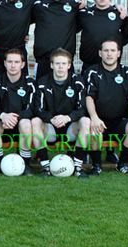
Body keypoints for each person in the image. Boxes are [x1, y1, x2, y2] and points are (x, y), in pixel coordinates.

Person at [84, 37, 128, 175]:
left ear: (118, 53)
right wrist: (94, 117)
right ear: (100, 53)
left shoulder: (127, 72)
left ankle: (123, 163)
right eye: (105, 50)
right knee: (93, 130)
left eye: (113, 50)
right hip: (99, 121)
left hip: (120, 122)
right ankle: (96, 165)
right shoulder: (92, 72)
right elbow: (89, 97)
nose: (109, 53)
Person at [34, 49, 90, 178]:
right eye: (57, 63)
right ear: (51, 65)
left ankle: (78, 167)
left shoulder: (78, 82)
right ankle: (45, 167)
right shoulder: (42, 83)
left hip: (70, 128)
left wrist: (68, 118)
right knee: (35, 121)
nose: (60, 67)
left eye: (64, 64)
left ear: (69, 65)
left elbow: (82, 109)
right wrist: (51, 119)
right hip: (51, 128)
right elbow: (38, 109)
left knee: (86, 121)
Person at [0, 48, 38, 175]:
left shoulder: (30, 84)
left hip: (21, 124)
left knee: (26, 123)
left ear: (23, 64)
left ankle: (25, 164)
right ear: (4, 63)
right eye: (10, 62)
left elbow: (33, 109)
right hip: (3, 124)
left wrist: (16, 118)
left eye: (16, 62)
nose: (13, 65)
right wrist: (3, 116)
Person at [32, 0, 83, 80]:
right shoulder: (39, 6)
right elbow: (22, 20)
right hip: (44, 61)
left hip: (65, 62)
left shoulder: (74, 4)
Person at [77, 0, 125, 69]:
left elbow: (126, 35)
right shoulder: (84, 13)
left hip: (112, 66)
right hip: (89, 64)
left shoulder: (119, 13)